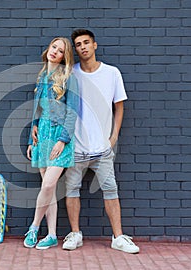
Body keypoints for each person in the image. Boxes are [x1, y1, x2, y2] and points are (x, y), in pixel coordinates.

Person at [62, 29, 140, 254]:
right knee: (72, 190)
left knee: (111, 190)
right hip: (75, 147)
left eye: (86, 43)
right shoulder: (71, 74)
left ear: (94, 45)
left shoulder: (112, 73)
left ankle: (118, 237)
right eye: (78, 44)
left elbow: (119, 106)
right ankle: (75, 234)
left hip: (102, 149)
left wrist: (113, 137)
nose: (83, 47)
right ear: (75, 50)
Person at [24, 37, 79, 250]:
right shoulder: (41, 77)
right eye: (54, 47)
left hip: (60, 136)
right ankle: (53, 234)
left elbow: (73, 112)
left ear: (65, 57)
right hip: (42, 136)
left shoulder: (69, 77)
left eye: (61, 50)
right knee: (49, 189)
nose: (55, 51)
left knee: (47, 185)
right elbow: (36, 110)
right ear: (48, 48)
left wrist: (63, 140)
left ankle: (34, 227)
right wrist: (32, 135)